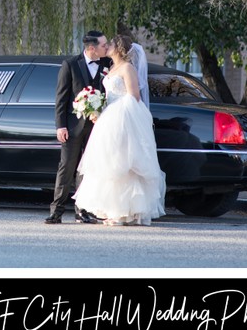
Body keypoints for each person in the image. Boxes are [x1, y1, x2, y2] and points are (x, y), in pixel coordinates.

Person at [73, 34, 166, 226]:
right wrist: (96, 107)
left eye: (111, 44)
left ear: (119, 48)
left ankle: (126, 212)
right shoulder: (112, 68)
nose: (107, 47)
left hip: (122, 118)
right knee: (110, 164)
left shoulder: (127, 68)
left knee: (124, 165)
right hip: (108, 118)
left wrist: (113, 111)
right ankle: (113, 210)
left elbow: (134, 96)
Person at [45, 31, 112, 224]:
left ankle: (82, 211)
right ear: (91, 48)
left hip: (97, 128)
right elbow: (61, 98)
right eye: (103, 45)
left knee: (88, 170)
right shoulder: (70, 65)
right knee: (66, 168)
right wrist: (61, 126)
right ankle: (56, 211)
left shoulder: (107, 64)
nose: (106, 48)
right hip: (73, 127)